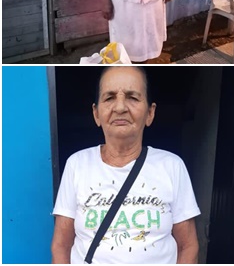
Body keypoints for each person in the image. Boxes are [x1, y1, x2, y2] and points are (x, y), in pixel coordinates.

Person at [52, 66, 200, 263]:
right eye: (109, 97)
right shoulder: (77, 165)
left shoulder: (172, 166)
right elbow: (61, 245)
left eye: (132, 97)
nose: (120, 107)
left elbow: (188, 245)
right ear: (96, 114)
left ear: (150, 113)